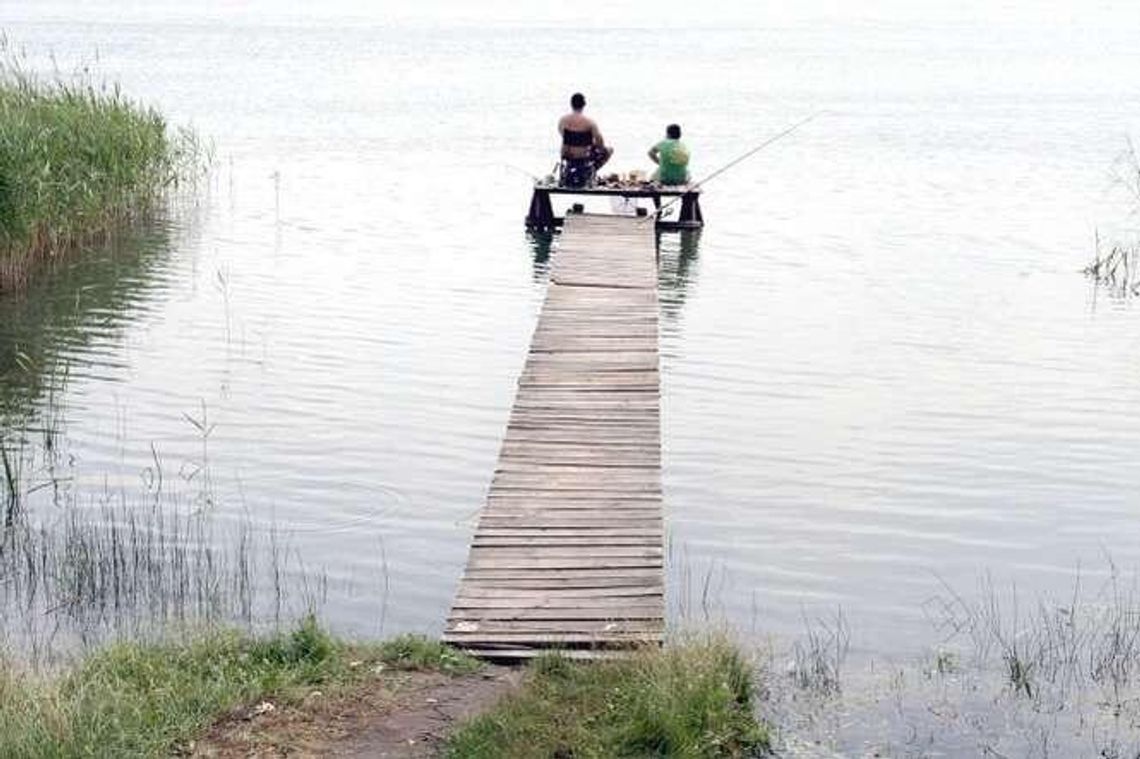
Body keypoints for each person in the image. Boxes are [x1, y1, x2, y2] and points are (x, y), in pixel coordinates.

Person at [557, 92, 613, 188]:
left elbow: (563, 136)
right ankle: (591, 173)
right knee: (609, 150)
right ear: (584, 105)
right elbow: (600, 143)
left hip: (568, 156)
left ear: (571, 104)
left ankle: (572, 173)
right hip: (584, 157)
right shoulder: (590, 122)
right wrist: (593, 144)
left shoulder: (563, 120)